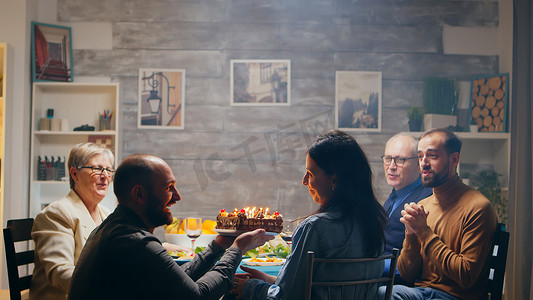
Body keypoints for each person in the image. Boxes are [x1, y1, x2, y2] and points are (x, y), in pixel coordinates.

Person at [68, 154, 273, 300]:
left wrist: (220, 245)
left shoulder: (116, 228)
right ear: (139, 194)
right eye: (168, 188)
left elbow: (178, 280)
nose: (177, 196)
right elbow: (198, 296)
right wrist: (237, 249)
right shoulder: (135, 242)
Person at [231, 130, 388, 300]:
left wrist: (251, 287)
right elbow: (322, 288)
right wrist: (270, 280)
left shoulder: (314, 227)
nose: (304, 181)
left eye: (310, 174)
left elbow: (286, 298)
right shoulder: (374, 223)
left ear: (334, 179)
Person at [379, 128, 498, 300]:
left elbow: (466, 277)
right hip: (422, 292)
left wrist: (424, 232)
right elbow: (408, 275)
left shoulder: (478, 207)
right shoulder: (423, 205)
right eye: (420, 157)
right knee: (381, 293)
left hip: (456, 296)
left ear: (454, 159)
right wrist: (411, 234)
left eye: (432, 156)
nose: (424, 163)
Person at [30, 143, 115, 300]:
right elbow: (60, 273)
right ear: (74, 174)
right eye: (97, 169)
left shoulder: (107, 215)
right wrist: (113, 285)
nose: (105, 176)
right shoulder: (56, 214)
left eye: (109, 170)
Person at [381, 134, 432, 278]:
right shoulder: (396, 193)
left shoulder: (425, 200)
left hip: (397, 280)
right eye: (388, 159)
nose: (391, 166)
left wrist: (370, 266)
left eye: (400, 160)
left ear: (418, 163)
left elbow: (420, 261)